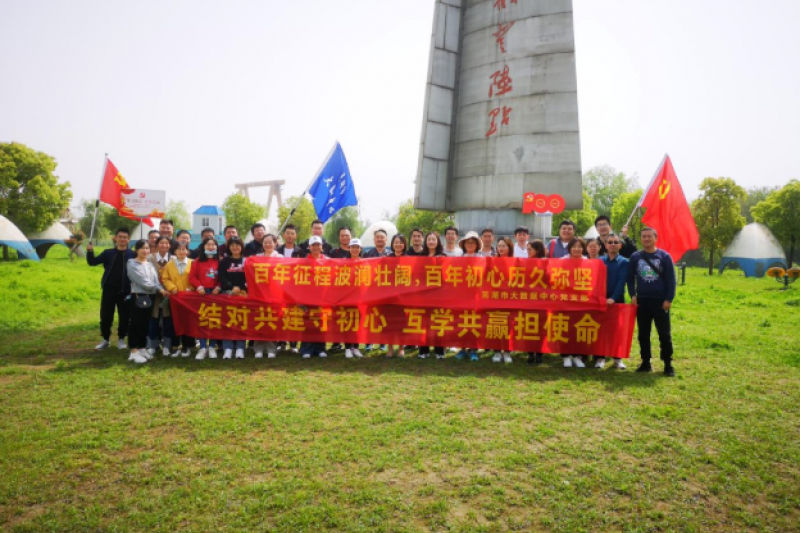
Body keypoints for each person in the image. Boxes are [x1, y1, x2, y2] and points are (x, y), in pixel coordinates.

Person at [627, 227, 676, 376]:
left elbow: (671, 279)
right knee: (643, 334)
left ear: (656, 238)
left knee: (664, 334)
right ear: (641, 239)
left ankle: (668, 364)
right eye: (644, 237)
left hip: (660, 302)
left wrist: (669, 298)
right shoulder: (635, 257)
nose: (646, 239)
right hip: (642, 301)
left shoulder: (664, 256)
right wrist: (632, 295)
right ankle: (645, 362)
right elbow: (630, 278)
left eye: (649, 236)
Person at [86, 228, 135, 350]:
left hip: (126, 290)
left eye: (125, 237)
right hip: (109, 289)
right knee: (106, 315)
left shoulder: (133, 254)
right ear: (116, 238)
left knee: (125, 316)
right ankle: (105, 339)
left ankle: (121, 339)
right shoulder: (108, 253)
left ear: (128, 239)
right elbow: (92, 262)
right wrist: (90, 251)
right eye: (120, 237)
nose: (122, 239)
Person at [126, 240, 169, 364]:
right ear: (137, 250)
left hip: (150, 297)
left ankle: (142, 348)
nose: (145, 251)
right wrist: (159, 289)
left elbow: (156, 280)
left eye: (147, 248)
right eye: (142, 248)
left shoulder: (150, 264)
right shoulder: (132, 263)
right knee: (135, 324)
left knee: (145, 324)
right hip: (138, 296)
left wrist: (162, 288)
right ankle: (133, 351)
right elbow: (143, 282)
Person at [595, 233, 630, 370]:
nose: (613, 245)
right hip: (600, 300)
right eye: (610, 242)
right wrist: (600, 298)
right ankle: (600, 357)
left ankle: (617, 358)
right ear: (605, 245)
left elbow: (622, 282)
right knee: (600, 330)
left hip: (617, 301)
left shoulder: (624, 262)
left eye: (616, 242)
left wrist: (613, 298)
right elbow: (596, 280)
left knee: (617, 331)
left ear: (620, 245)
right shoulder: (599, 261)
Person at [189, 237, 221, 360]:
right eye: (208, 245)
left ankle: (212, 347)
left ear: (217, 247)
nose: (211, 247)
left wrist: (218, 287)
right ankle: (202, 347)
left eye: (213, 245)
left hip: (215, 294)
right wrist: (199, 286)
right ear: (203, 247)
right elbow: (192, 277)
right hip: (201, 293)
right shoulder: (197, 261)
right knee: (202, 320)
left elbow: (222, 277)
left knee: (213, 320)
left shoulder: (220, 261)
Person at [161, 243, 195, 357]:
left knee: (188, 321)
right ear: (175, 252)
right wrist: (172, 287)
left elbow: (196, 277)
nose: (181, 252)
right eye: (179, 249)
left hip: (189, 298)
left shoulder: (192, 263)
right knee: (174, 321)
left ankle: (187, 346)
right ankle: (176, 346)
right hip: (175, 298)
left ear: (187, 251)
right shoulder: (169, 264)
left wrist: (193, 288)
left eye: (183, 249)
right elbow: (165, 278)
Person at [455, 232, 483, 361]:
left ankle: (473, 350)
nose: (470, 244)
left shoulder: (482, 258)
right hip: (462, 295)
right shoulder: (459, 258)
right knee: (462, 321)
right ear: (464, 244)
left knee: (474, 322)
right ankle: (462, 348)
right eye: (467, 242)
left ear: (477, 244)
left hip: (477, 295)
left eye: (473, 242)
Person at [219, 237, 248, 359]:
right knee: (228, 320)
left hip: (242, 294)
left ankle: (240, 348)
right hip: (228, 293)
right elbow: (221, 276)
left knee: (241, 321)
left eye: (237, 245)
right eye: (232, 245)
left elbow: (249, 276)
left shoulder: (247, 261)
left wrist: (240, 288)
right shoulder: (224, 261)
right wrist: (231, 287)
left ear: (241, 246)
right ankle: (228, 348)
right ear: (229, 247)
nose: (235, 248)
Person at [300, 236, 329, 359]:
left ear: (322, 246)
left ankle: (320, 348)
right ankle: (306, 349)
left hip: (323, 297)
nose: (316, 247)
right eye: (313, 245)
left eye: (318, 245)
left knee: (321, 323)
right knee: (308, 323)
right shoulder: (303, 262)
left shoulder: (328, 261)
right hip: (308, 298)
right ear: (309, 247)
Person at [418, 232, 446, 359]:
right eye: (429, 239)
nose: (431, 241)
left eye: (433, 239)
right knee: (424, 323)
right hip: (424, 294)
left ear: (438, 241)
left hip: (439, 294)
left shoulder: (443, 256)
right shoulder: (421, 256)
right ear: (426, 241)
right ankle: (423, 350)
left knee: (438, 321)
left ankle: (439, 350)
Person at [147, 236, 174, 356]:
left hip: (169, 294)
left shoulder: (173, 259)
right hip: (154, 293)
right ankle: (153, 344)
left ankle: (167, 345)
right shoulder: (149, 258)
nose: (164, 245)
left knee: (168, 320)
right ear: (157, 245)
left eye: (166, 243)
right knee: (154, 319)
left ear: (169, 245)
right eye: (161, 243)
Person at [493, 237, 515, 364]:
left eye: (503, 246)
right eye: (499, 246)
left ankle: (507, 352)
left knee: (508, 326)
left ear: (509, 247)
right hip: (495, 297)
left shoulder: (515, 261)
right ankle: (496, 351)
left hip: (510, 299)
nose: (500, 248)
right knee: (496, 323)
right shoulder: (493, 261)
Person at [385, 234, 408, 357]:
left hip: (404, 298)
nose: (398, 245)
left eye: (400, 242)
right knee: (390, 323)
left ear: (404, 244)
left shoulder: (409, 259)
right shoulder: (387, 258)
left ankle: (401, 348)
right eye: (396, 242)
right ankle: (390, 348)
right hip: (390, 297)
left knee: (401, 324)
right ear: (392, 244)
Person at [524, 238, 547, 365]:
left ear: (537, 250)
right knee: (528, 326)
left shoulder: (546, 263)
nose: (527, 251)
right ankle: (530, 353)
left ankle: (539, 353)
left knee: (540, 328)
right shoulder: (525, 262)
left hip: (542, 300)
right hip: (528, 300)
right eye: (527, 249)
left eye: (530, 249)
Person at [344, 239, 365, 359]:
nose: (355, 249)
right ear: (349, 249)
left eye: (357, 247)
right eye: (353, 247)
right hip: (347, 298)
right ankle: (347, 348)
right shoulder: (344, 263)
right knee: (347, 323)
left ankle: (355, 347)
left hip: (360, 299)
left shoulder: (365, 263)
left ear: (360, 249)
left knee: (357, 324)